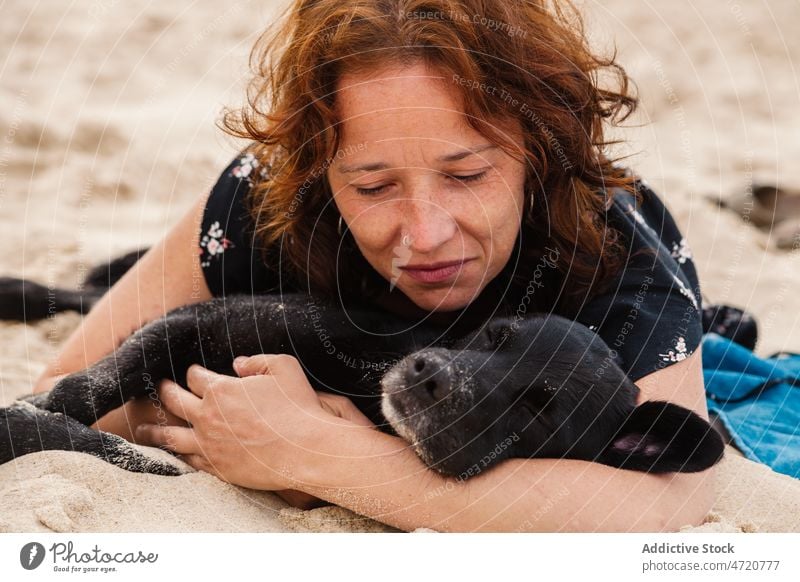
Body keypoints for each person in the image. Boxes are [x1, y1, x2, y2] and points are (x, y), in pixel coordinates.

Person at [32, 0, 715, 532]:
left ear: (538, 147)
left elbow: (665, 505)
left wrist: (322, 457)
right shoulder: (264, 198)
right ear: (316, 167)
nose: (425, 234)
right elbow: (66, 384)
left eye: (467, 173)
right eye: (372, 186)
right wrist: (235, 428)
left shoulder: (611, 240)